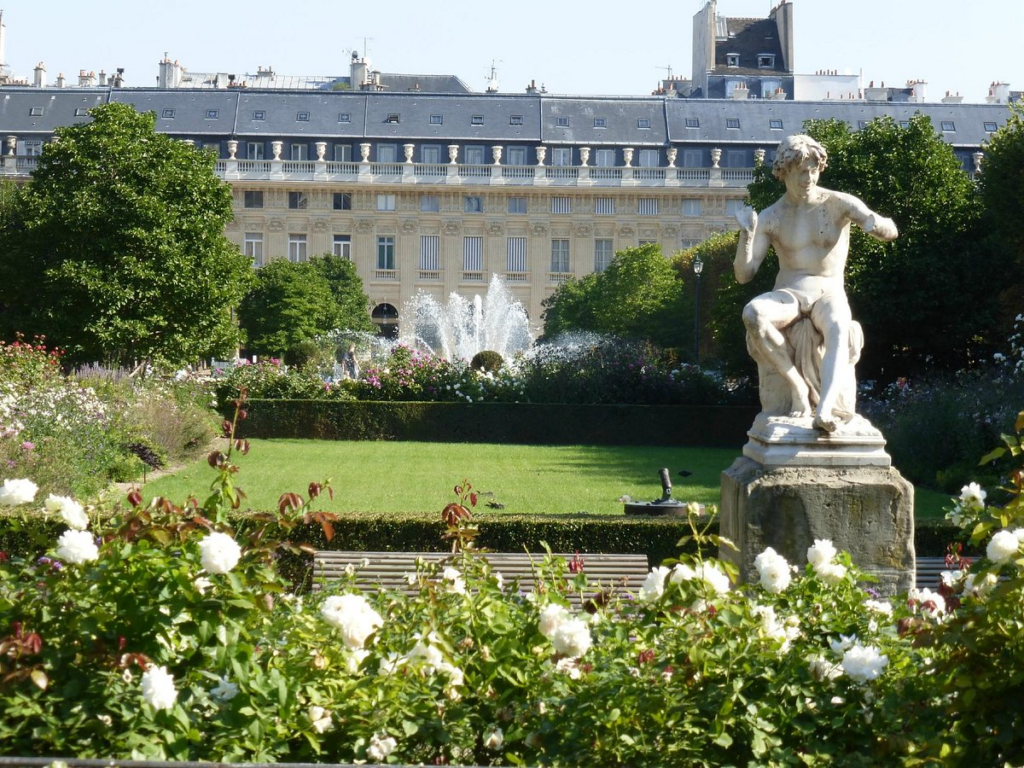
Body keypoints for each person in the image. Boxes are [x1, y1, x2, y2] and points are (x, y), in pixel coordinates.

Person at [734, 134, 898, 432]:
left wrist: (877, 224)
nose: (807, 177)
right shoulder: (772, 216)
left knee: (838, 325)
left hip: (828, 291)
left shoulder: (838, 203)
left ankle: (825, 408)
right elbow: (744, 274)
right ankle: (797, 388)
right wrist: (746, 235)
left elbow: (890, 229)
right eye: (799, 171)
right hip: (789, 293)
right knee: (753, 314)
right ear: (783, 172)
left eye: (813, 169)